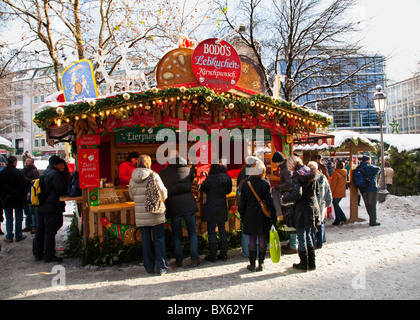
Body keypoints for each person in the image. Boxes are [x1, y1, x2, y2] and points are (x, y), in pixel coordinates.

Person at [129, 155, 169, 275]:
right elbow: (163, 193)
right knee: (159, 239)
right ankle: (162, 267)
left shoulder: (132, 178)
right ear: (149, 163)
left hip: (141, 214)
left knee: (146, 241)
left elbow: (131, 196)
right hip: (155, 212)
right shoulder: (154, 175)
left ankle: (149, 267)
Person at [159, 154, 200, 267]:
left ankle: (179, 260)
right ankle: (195, 259)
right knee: (192, 233)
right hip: (188, 203)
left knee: (176, 234)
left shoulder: (163, 173)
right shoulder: (188, 170)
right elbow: (191, 182)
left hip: (173, 204)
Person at [282, 156, 320, 272]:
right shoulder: (310, 171)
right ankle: (311, 263)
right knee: (308, 235)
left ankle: (304, 263)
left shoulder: (297, 175)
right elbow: (316, 191)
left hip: (302, 208)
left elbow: (297, 193)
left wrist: (285, 198)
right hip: (312, 206)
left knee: (301, 236)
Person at [239, 160, 276, 272]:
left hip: (250, 213)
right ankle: (261, 264)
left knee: (252, 238)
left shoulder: (246, 184)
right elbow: (269, 201)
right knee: (261, 238)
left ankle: (252, 264)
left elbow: (243, 202)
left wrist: (243, 215)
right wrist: (273, 215)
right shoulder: (265, 184)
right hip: (262, 214)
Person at [33, 155, 68, 262]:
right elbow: (61, 190)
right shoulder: (55, 174)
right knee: (50, 231)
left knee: (40, 230)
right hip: (52, 207)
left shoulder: (44, 173)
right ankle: (49, 255)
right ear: (56, 164)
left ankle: (38, 254)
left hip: (41, 206)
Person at [201, 163, 232, 262]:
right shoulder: (227, 178)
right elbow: (228, 191)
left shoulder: (210, 178)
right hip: (222, 206)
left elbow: (203, 187)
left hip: (211, 206)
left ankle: (212, 255)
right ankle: (224, 254)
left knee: (211, 232)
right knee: (222, 230)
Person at [271, 151, 297, 255]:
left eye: (275, 163)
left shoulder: (285, 169)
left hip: (289, 198)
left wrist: (278, 187)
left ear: (278, 162)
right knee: (290, 222)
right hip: (289, 197)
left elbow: (289, 184)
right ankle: (292, 243)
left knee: (291, 222)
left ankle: (293, 245)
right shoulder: (285, 168)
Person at [236, 156, 262, 257]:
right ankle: (258, 251)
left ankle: (247, 251)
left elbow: (239, 192)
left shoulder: (242, 174)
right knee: (258, 230)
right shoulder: (260, 174)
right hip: (258, 206)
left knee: (246, 229)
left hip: (246, 206)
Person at [0, 156, 26, 243]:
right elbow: (23, 186)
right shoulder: (19, 173)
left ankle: (9, 236)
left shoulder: (2, 173)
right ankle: (18, 235)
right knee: (19, 217)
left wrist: (5, 195)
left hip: (6, 199)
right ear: (15, 162)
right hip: (18, 198)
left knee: (9, 218)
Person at [307, 161, 332, 248]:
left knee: (312, 224)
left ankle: (313, 242)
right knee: (320, 222)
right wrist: (327, 203)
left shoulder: (308, 178)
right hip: (321, 203)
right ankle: (320, 242)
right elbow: (328, 192)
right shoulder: (323, 178)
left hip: (312, 203)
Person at [356, 155, 381, 226]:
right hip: (371, 187)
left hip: (363, 188)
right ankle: (373, 221)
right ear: (367, 160)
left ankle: (371, 217)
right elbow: (378, 169)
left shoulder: (359, 167)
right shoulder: (369, 167)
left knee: (367, 204)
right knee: (372, 204)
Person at [22, 157, 40, 234]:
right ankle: (28, 225)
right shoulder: (23, 171)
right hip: (24, 193)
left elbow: (35, 182)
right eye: (26, 161)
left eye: (29, 161)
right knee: (27, 211)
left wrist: (26, 179)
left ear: (32, 162)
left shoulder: (34, 171)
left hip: (31, 193)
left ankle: (34, 226)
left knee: (32, 211)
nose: (27, 162)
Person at [330, 160, 348, 226]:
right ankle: (342, 217)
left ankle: (338, 219)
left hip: (336, 191)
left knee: (335, 204)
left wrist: (330, 192)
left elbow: (333, 184)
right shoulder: (344, 172)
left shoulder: (335, 173)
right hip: (341, 191)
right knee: (336, 204)